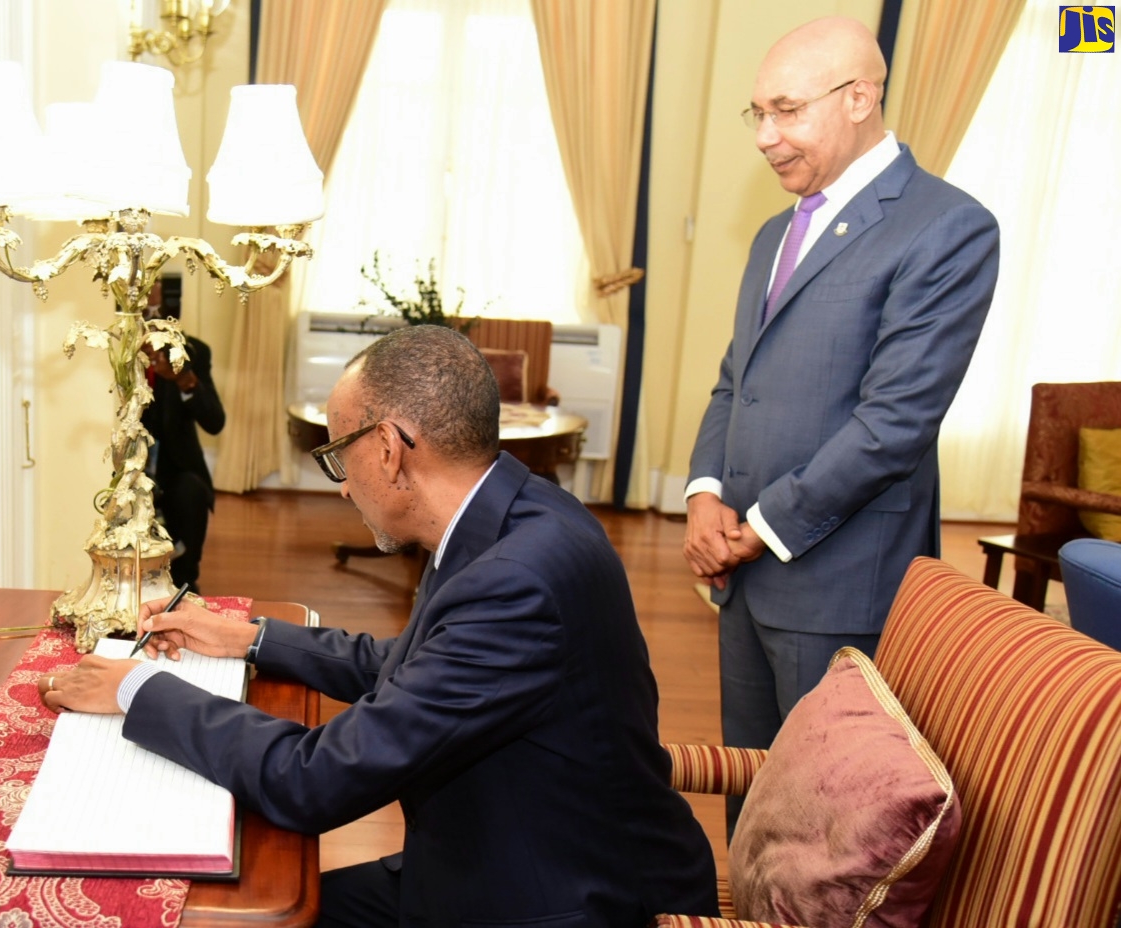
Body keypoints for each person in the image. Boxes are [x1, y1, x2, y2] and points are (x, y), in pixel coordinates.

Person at [43, 324, 719, 926]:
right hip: (492, 853)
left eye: (340, 456)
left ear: (391, 449)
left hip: (550, 898)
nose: (342, 485)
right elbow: (415, 663)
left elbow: (313, 780)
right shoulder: (516, 511)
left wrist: (137, 689)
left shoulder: (516, 581)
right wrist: (249, 638)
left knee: (235, 908)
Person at [682, 16, 999, 836]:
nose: (765, 136)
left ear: (859, 98)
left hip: (838, 578)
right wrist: (705, 495)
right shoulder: (771, 233)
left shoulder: (947, 227)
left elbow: (894, 424)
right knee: (752, 799)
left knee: (828, 822)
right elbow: (735, 382)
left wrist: (759, 526)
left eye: (785, 110)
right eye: (756, 113)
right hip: (741, 574)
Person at [142, 274, 225, 593]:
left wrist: (184, 380)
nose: (151, 307)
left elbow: (215, 422)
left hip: (175, 465)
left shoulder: (192, 352)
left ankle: (187, 580)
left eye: (157, 300)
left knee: (191, 491)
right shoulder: (112, 353)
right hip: (124, 466)